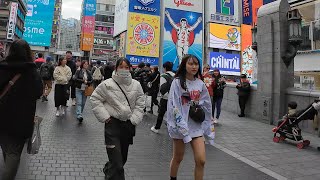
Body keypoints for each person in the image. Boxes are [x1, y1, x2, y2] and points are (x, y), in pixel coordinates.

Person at [90, 58, 145, 180]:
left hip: (128, 125)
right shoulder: (107, 84)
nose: (124, 70)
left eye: (126, 67)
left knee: (122, 159)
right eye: (121, 67)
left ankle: (108, 170)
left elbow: (140, 104)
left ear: (130, 68)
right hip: (112, 126)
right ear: (116, 68)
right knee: (117, 163)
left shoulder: (136, 85)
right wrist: (105, 117)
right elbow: (95, 99)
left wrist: (134, 119)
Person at [167, 54, 215, 180]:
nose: (194, 66)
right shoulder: (177, 83)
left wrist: (209, 127)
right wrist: (182, 129)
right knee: (178, 157)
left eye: (196, 64)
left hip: (196, 126)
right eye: (190, 64)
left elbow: (207, 105)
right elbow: (174, 107)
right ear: (184, 65)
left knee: (201, 160)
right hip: (180, 126)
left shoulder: (200, 84)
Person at [0, 39, 43, 180]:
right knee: (13, 153)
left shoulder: (2, 67)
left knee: (6, 148)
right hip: (21, 119)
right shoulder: (31, 71)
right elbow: (38, 92)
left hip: (2, 116)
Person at [150, 62, 175, 133]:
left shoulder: (164, 76)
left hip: (165, 98)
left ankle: (156, 128)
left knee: (161, 113)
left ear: (165, 68)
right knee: (172, 113)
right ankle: (172, 126)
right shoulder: (175, 75)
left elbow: (162, 89)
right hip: (173, 98)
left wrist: (163, 96)